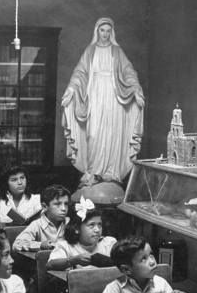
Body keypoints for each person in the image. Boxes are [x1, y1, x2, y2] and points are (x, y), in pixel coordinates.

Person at [61, 17, 144, 187]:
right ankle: (92, 171)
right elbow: (80, 72)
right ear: (96, 31)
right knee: (94, 133)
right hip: (94, 94)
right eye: (102, 30)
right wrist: (70, 90)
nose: (105, 34)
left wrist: (136, 89)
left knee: (112, 133)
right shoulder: (90, 51)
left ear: (111, 32)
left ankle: (110, 173)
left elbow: (128, 71)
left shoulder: (117, 51)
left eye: (108, 30)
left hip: (114, 97)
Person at [46, 197, 117, 271]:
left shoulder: (108, 243)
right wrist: (73, 260)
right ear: (77, 229)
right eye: (91, 225)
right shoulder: (66, 246)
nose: (97, 230)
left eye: (99, 225)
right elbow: (50, 265)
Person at [12, 184, 71, 252]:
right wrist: (40, 245)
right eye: (57, 204)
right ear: (44, 206)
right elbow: (17, 244)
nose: (63, 209)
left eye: (66, 204)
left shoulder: (70, 222)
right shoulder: (37, 225)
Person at [0, 164, 42, 229]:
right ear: (6, 183)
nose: (20, 182)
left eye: (22, 178)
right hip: (5, 237)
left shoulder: (36, 199)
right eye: (14, 180)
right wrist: (11, 225)